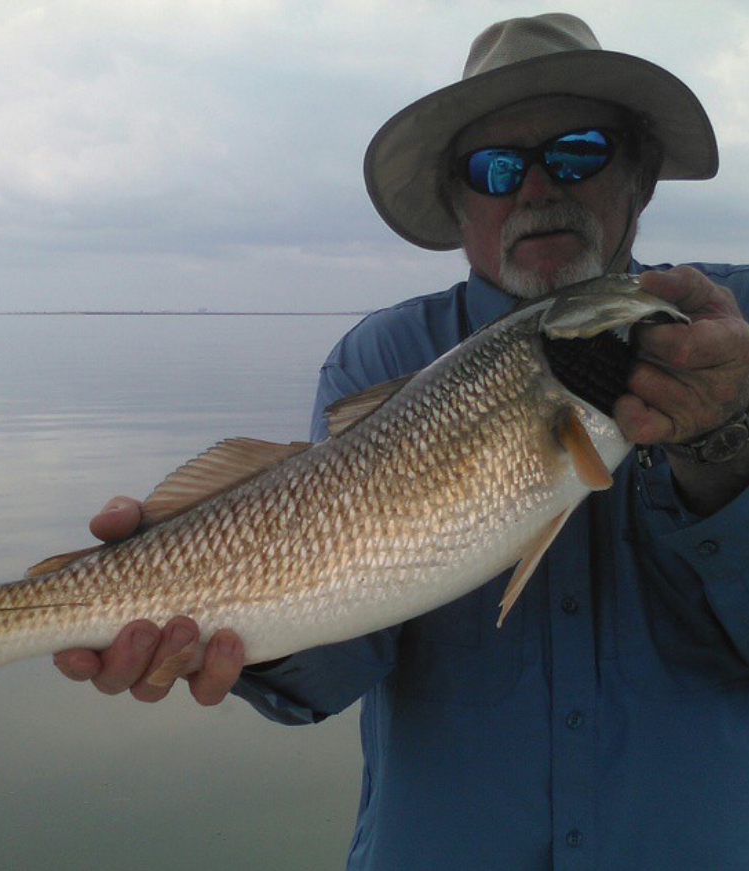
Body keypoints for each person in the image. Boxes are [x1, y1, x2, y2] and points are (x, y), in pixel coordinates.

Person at [54, 14, 749, 869]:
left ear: (638, 174)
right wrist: (226, 635)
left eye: (577, 151)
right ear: (459, 206)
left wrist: (725, 443)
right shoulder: (378, 358)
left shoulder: (734, 328)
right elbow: (342, 658)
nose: (534, 187)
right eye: (493, 168)